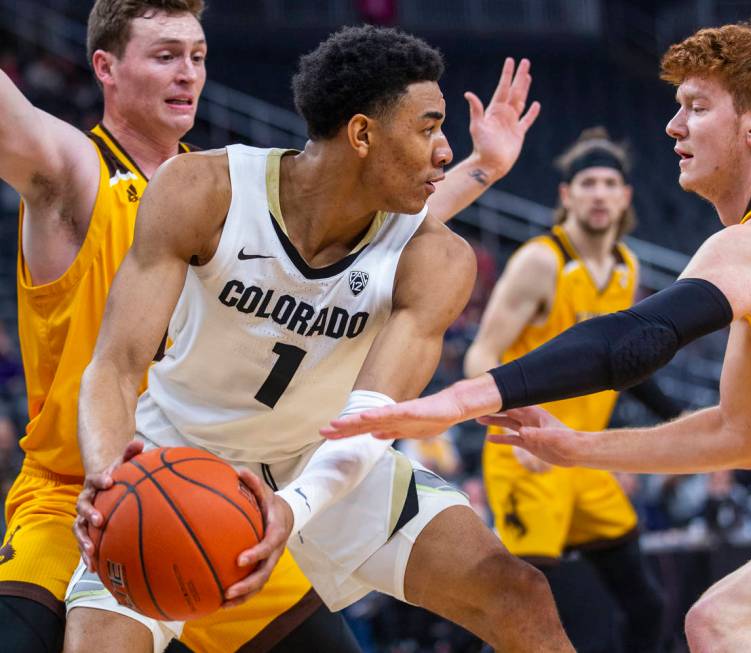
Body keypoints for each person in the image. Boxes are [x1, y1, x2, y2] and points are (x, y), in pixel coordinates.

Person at [0, 1, 540, 651]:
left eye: (198, 57)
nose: (188, 75)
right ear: (105, 68)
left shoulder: (224, 193)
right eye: (166, 55)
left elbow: (368, 235)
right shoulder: (77, 171)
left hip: (216, 491)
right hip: (77, 491)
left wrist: (478, 171)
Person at [323, 23, 751, 652]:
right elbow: (738, 435)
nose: (673, 126)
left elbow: (635, 340)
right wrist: (576, 447)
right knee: (719, 623)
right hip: (535, 460)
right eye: (676, 108)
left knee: (716, 622)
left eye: (696, 107)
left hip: (530, 415)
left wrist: (466, 398)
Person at [467, 127, 669, 652]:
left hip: (584, 458)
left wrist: (681, 415)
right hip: (528, 455)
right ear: (567, 195)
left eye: (609, 183)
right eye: (587, 182)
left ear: (624, 196)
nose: (599, 192)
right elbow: (480, 356)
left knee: (648, 606)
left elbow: (625, 367)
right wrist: (520, 426)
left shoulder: (627, 266)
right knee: (519, 612)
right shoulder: (542, 261)